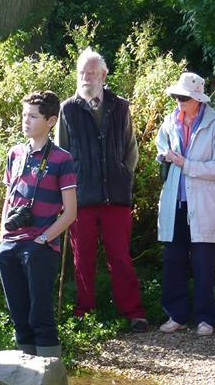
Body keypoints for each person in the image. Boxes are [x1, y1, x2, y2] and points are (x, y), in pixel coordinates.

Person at [56, 48, 148, 332]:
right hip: (81, 197)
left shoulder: (120, 106)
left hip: (115, 196)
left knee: (120, 257)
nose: (85, 77)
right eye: (82, 72)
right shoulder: (67, 108)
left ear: (103, 75)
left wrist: (123, 175)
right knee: (82, 258)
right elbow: (62, 152)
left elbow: (130, 148)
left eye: (91, 72)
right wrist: (67, 191)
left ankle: (134, 312)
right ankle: (85, 312)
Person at [0, 91, 77, 357]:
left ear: (51, 121)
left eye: (33, 116)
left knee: (40, 316)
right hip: (10, 245)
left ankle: (49, 383)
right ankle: (27, 381)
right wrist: (2, 239)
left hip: (40, 246)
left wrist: (43, 239)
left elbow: (71, 212)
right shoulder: (15, 153)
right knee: (19, 317)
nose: (26, 121)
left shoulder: (61, 159)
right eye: (24, 115)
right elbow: (8, 200)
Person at [156, 72, 215, 336]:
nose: (178, 101)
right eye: (176, 96)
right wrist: (164, 155)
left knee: (203, 263)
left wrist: (186, 164)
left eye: (183, 97)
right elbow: (160, 145)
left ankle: (205, 317)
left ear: (197, 99)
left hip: (204, 203)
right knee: (173, 260)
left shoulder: (214, 124)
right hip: (175, 202)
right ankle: (176, 315)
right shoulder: (170, 120)